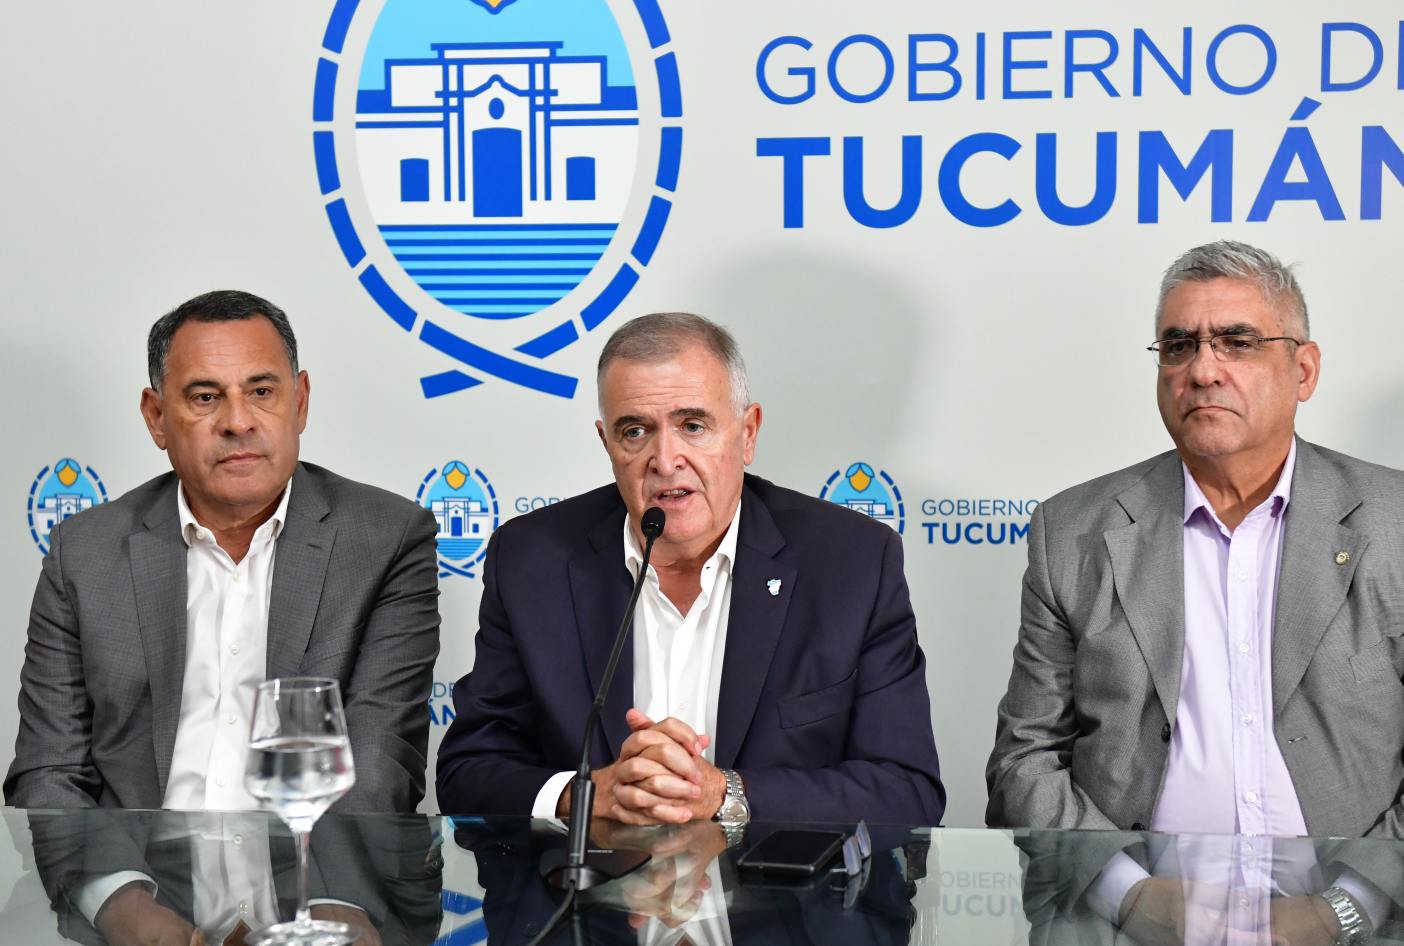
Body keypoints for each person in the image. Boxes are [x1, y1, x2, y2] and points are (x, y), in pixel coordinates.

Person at [986, 241, 1404, 942]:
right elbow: (1025, 760)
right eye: (1179, 346)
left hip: (1362, 922)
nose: (1203, 370)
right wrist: (1132, 896)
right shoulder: (1074, 531)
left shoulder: (1393, 524)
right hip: (1129, 925)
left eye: (1237, 342)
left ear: (1303, 370)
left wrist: (1342, 909)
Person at [5, 289, 441, 942]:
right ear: (157, 417)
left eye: (261, 392)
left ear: (300, 401)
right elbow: (49, 772)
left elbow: (381, 758)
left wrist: (331, 915)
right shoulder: (85, 552)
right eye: (205, 397)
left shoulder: (385, 539)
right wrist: (126, 910)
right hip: (140, 890)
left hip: (320, 885)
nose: (238, 421)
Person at [436, 312, 943, 829]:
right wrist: (586, 794)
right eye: (635, 431)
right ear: (607, 444)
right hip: (588, 881)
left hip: (776, 882)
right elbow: (467, 772)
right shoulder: (531, 560)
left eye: (693, 426)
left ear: (747, 433)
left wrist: (724, 794)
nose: (665, 459)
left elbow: (907, 790)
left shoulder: (850, 563)